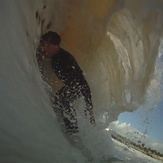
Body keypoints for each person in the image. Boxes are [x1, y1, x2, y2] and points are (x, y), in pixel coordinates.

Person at [39, 31, 95, 134]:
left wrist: (89, 108)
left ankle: (72, 131)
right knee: (58, 99)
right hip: (72, 85)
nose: (44, 48)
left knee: (61, 99)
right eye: (43, 45)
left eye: (48, 45)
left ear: (56, 46)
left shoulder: (65, 58)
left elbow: (83, 81)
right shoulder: (54, 56)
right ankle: (67, 127)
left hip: (79, 86)